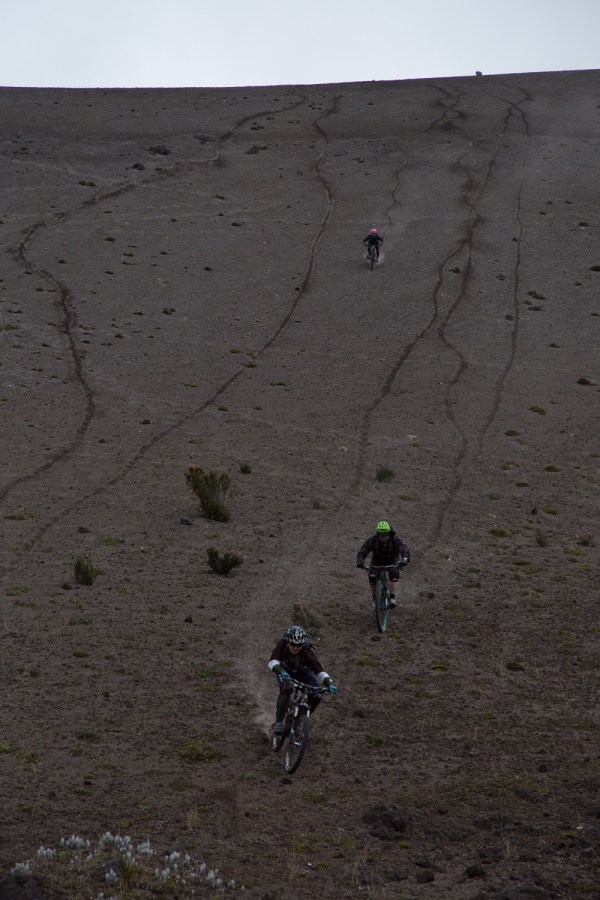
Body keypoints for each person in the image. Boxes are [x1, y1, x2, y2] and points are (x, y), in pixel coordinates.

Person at [268, 625, 338, 734]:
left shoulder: (306, 652)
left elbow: (319, 670)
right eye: (293, 644)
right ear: (289, 641)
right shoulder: (283, 644)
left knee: (316, 695)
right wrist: (282, 672)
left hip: (302, 672)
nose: (296, 648)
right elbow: (272, 661)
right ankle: (278, 722)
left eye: (299, 645)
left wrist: (329, 683)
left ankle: (298, 717)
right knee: (287, 688)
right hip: (284, 671)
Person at [356, 520, 410, 608]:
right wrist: (360, 561)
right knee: (372, 578)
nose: (383, 537)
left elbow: (404, 549)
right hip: (377, 561)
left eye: (385, 534)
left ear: (389, 533)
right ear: (377, 534)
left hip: (392, 560)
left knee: (394, 574)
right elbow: (363, 550)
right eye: (380, 534)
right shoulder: (372, 540)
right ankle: (375, 600)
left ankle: (392, 598)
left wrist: (405, 559)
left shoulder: (395, 539)